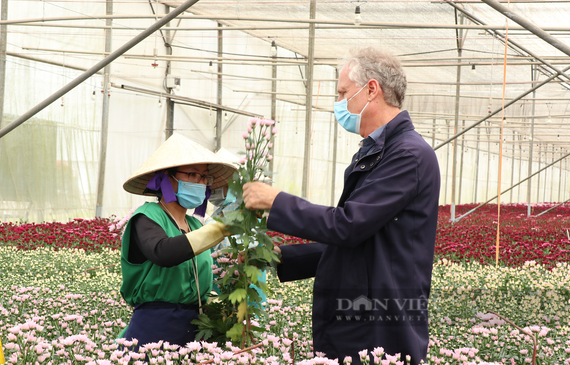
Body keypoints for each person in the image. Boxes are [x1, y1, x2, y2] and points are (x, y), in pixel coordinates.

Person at [242, 47, 440, 364]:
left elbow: (348, 225)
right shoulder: (376, 152)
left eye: (343, 92)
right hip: (360, 318)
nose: (339, 102)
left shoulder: (407, 155)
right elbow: (366, 241)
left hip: (379, 328)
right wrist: (282, 257)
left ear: (371, 89)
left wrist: (275, 202)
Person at [120, 133, 236, 349]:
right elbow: (163, 252)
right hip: (154, 329)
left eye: (204, 178)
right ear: (166, 176)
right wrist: (222, 228)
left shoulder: (196, 225)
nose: (200, 183)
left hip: (194, 330)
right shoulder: (146, 217)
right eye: (192, 175)